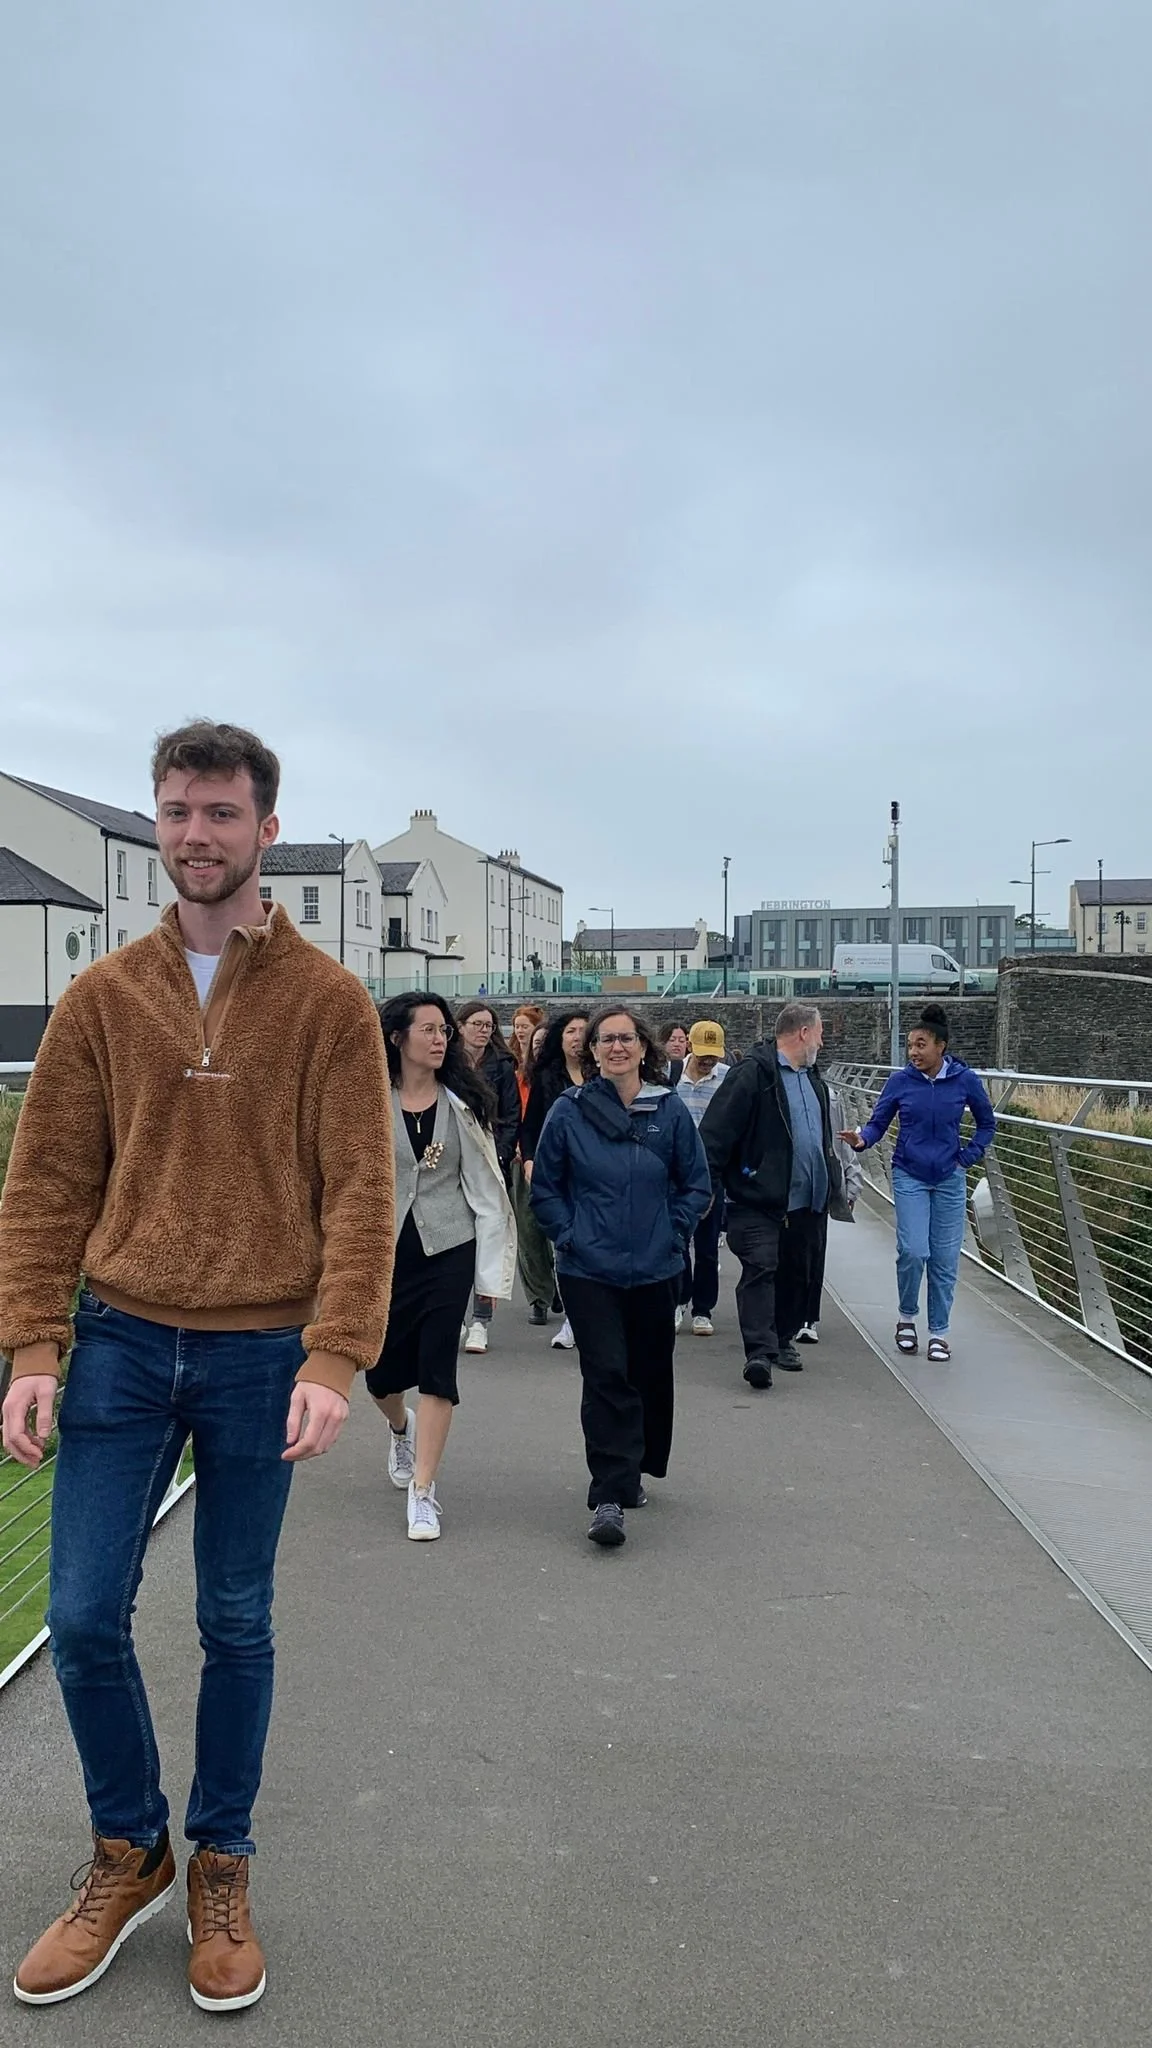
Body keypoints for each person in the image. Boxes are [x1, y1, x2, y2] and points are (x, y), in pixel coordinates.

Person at [0, 720, 394, 2013]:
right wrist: (33, 1343)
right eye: (176, 810)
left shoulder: (329, 1004)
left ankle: (223, 1859)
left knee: (235, 1618)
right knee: (81, 1616)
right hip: (120, 1338)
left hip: (262, 1352)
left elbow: (361, 1190)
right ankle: (132, 1849)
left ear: (266, 828)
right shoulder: (104, 996)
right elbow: (46, 1184)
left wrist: (336, 1351)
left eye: (221, 812)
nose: (195, 834)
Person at [530, 1006, 710, 1548]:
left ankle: (635, 1468)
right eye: (605, 1039)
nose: (616, 1048)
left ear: (643, 1047)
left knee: (648, 1373)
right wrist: (569, 1235)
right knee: (606, 1373)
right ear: (591, 1050)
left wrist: (673, 1231)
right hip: (589, 1268)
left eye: (626, 1038)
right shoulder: (569, 1111)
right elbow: (547, 1188)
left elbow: (696, 1184)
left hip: (657, 1266)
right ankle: (608, 1492)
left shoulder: (668, 1110)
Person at [367, 994, 516, 1537]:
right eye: (427, 1029)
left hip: (448, 1249)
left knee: (437, 1370)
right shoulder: (368, 1101)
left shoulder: (462, 1104)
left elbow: (484, 1186)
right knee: (380, 1374)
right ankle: (399, 1428)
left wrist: (491, 1271)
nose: (439, 1039)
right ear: (397, 1037)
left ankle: (423, 1490)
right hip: (383, 1254)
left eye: (443, 1031)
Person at [699, 1002, 844, 1390]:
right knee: (760, 1269)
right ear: (803, 1033)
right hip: (757, 1197)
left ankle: (781, 1339)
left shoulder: (813, 1080)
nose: (822, 1042)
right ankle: (759, 1353)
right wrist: (706, 1187)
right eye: (819, 1034)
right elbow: (715, 1133)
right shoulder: (753, 1074)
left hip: (807, 1203)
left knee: (798, 1274)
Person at [841, 1004, 995, 1362]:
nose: (913, 1052)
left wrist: (967, 1157)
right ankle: (907, 1317)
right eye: (910, 1045)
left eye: (921, 1045)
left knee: (944, 1258)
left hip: (949, 1177)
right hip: (909, 1173)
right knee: (913, 1251)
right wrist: (862, 1140)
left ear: (941, 1046)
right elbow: (878, 1123)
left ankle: (939, 1332)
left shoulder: (965, 1080)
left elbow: (987, 1123)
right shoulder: (901, 1081)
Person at [519, 1011, 591, 1350]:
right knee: (564, 1245)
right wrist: (529, 1160)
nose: (577, 1036)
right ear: (560, 1039)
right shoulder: (547, 1076)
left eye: (583, 1030)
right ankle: (573, 1319)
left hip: (598, 1173)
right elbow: (531, 1125)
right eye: (571, 1031)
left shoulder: (603, 1073)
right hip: (559, 1172)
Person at [455, 1001, 520, 1353]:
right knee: (456, 1240)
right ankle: (456, 1316)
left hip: (491, 1156)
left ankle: (481, 1321)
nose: (484, 1031)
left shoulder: (502, 1065)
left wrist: (502, 1153)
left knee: (489, 1238)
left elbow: (511, 1114)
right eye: (477, 1024)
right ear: (460, 1026)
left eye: (489, 1025)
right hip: (454, 1157)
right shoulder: (448, 1063)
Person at [795, 1079, 863, 1344]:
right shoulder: (772, 1087)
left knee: (813, 1250)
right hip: (783, 1183)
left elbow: (840, 1139)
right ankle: (785, 1314)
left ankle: (807, 1317)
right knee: (786, 1253)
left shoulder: (827, 1094)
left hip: (818, 1183)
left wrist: (851, 1182)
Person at [674, 1020, 731, 1336]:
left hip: (711, 1172)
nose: (709, 1060)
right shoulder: (672, 1075)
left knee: (708, 1246)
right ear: (690, 1046)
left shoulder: (727, 1079)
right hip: (676, 1172)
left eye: (714, 1054)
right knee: (677, 1240)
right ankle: (679, 1299)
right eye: (703, 1053)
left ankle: (703, 1309)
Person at [507, 1006, 553, 1325]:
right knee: (528, 1228)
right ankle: (539, 1296)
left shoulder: (562, 1079)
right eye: (518, 1027)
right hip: (523, 1157)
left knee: (556, 1229)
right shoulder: (516, 1075)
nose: (521, 1033)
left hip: (558, 1160)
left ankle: (557, 1285)